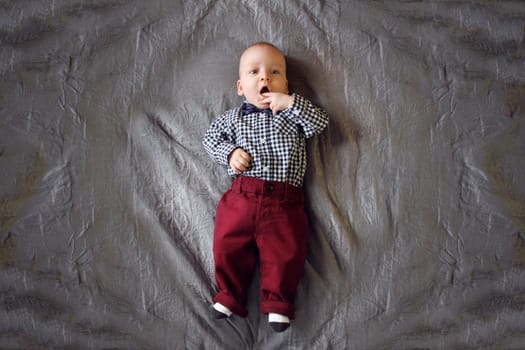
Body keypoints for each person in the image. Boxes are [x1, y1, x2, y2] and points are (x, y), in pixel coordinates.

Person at [202, 42, 328, 332]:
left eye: (275, 72)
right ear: (240, 87)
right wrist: (230, 154)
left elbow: (320, 122)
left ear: (286, 83)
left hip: (284, 202)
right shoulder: (233, 119)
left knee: (287, 252)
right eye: (254, 72)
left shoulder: (293, 116)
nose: (264, 78)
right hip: (241, 197)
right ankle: (229, 295)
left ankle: (278, 303)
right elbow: (210, 139)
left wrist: (292, 103)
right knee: (227, 243)